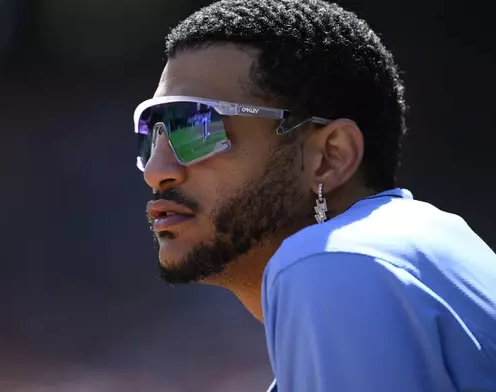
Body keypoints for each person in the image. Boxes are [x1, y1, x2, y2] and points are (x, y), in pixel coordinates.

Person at [132, 0, 496, 391]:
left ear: (330, 157)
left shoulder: (336, 259)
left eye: (196, 127)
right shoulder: (422, 247)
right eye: (153, 134)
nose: (157, 170)